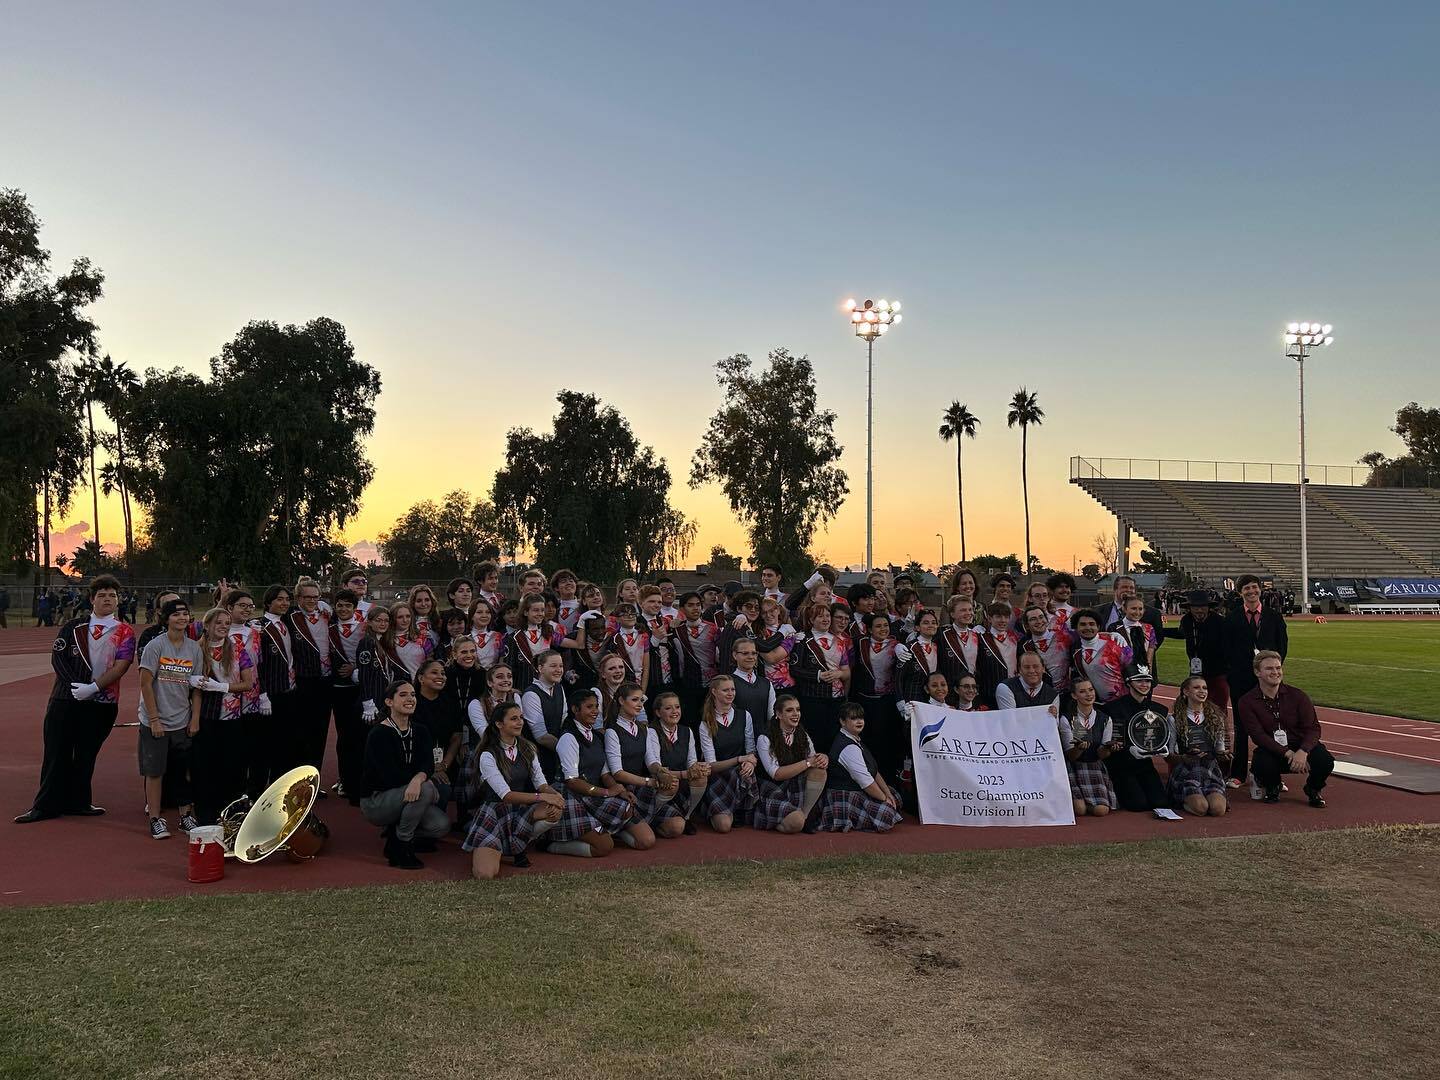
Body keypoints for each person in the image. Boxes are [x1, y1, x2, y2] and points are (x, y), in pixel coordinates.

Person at [16, 575, 137, 824]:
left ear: (118, 601)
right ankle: (45, 805)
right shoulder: (73, 626)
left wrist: (93, 688)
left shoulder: (125, 632)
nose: (107, 599)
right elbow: (58, 658)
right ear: (92, 599)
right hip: (65, 700)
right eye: (102, 595)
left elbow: (121, 666)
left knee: (85, 754)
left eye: (112, 595)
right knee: (56, 752)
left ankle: (79, 801)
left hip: (102, 703)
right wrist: (76, 687)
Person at [460, 701, 567, 878]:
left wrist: (555, 796)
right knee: (484, 874)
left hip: (521, 809)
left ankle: (519, 846)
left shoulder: (527, 748)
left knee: (554, 809)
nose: (520, 722)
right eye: (514, 719)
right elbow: (506, 795)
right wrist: (543, 797)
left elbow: (541, 784)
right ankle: (497, 846)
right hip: (495, 812)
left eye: (521, 718)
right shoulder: (488, 754)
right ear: (499, 724)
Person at [359, 679, 450, 869]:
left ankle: (394, 833)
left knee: (441, 825)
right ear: (389, 702)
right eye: (403, 695)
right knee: (426, 790)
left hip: (409, 793)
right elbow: (388, 774)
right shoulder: (378, 733)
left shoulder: (421, 730)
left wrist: (419, 778)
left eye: (413, 695)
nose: (410, 699)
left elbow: (427, 764)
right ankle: (402, 846)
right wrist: (422, 784)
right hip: (378, 800)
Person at [137, 598, 205, 839]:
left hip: (181, 719)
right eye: (176, 615)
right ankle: (155, 818)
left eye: (185, 614)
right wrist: (154, 719)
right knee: (155, 772)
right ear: (166, 619)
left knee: (182, 770)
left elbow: (197, 687)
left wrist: (195, 717)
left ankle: (186, 815)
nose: (182, 618)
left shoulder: (194, 649)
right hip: (155, 720)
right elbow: (145, 683)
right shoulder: (155, 646)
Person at [1238, 652, 1334, 807]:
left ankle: (1313, 788)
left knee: (1325, 761)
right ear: (1257, 672)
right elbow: (1258, 735)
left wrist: (1303, 751)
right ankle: (1272, 786)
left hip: (1300, 745)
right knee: (1262, 764)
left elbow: (1313, 728)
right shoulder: (1247, 702)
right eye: (1269, 668)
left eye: (1278, 668)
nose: (1275, 672)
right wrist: (1287, 753)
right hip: (1272, 748)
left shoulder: (1298, 696)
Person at [1223, 575, 1289, 790]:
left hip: (1268, 680)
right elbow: (1227, 649)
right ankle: (1238, 773)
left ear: (1260, 590)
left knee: (1272, 725)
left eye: (1254, 587)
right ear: (1240, 592)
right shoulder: (1232, 618)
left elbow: (1282, 645)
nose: (1251, 592)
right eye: (1247, 589)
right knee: (1242, 726)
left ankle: (1272, 774)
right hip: (1241, 678)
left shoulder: (1273, 616)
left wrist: (1272, 670)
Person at [553, 690, 632, 856]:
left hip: (590, 794)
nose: (595, 711)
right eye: (589, 707)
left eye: (596, 706)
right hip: (569, 796)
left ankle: (594, 831)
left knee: (627, 808)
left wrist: (621, 791)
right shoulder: (568, 738)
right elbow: (572, 781)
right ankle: (551, 844)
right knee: (604, 847)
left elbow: (604, 774)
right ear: (575, 709)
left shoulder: (596, 736)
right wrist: (607, 792)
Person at [603, 681, 676, 846]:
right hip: (622, 789)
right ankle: (620, 830)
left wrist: (660, 771)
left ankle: (644, 822)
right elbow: (617, 772)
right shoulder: (612, 731)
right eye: (635, 700)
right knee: (647, 841)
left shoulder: (645, 729)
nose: (639, 705)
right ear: (622, 701)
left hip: (641, 786)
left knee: (676, 826)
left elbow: (651, 761)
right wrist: (650, 781)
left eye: (641, 700)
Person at [818, 702, 902, 833]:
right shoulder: (848, 747)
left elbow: (874, 772)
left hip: (858, 790)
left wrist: (887, 794)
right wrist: (885, 800)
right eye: (853, 718)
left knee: (895, 795)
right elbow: (866, 782)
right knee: (886, 814)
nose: (859, 721)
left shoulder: (855, 739)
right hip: (845, 795)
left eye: (861, 718)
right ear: (842, 721)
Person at [1100, 663, 1171, 812]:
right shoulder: (1113, 709)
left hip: (1144, 764)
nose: (1144, 685)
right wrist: (1128, 749)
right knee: (1138, 805)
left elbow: (1160, 737)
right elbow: (1111, 741)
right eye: (1139, 681)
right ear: (1128, 682)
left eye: (1147, 681)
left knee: (1161, 802)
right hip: (1121, 765)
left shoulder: (1159, 710)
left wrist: (1163, 748)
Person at [752, 693, 828, 833]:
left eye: (798, 710)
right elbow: (776, 774)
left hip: (794, 786)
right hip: (772, 788)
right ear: (778, 714)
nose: (795, 714)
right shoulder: (765, 737)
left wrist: (823, 759)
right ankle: (783, 821)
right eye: (789, 710)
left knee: (819, 772)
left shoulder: (801, 733)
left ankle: (805, 816)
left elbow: (814, 759)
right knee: (795, 823)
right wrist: (807, 763)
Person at [850, 611, 907, 784]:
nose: (883, 629)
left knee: (886, 741)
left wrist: (898, 645)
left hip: (886, 702)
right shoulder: (860, 642)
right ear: (869, 629)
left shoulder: (895, 644)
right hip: (864, 700)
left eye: (885, 625)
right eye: (878, 626)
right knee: (867, 739)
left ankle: (888, 779)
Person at [696, 675, 758, 832]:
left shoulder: (745, 715)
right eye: (725, 690)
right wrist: (739, 759)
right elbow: (711, 765)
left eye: (733, 689)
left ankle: (740, 808)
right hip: (718, 777)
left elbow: (751, 750)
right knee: (723, 827)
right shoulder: (705, 723)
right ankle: (709, 807)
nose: (730, 693)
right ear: (714, 692)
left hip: (741, 773)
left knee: (744, 773)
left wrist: (750, 762)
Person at [285, 578, 333, 779]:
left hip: (326, 680)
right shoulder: (290, 617)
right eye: (308, 597)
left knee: (320, 732)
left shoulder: (327, 615)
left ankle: (314, 779)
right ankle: (297, 779)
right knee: (301, 732)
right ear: (298, 598)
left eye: (316, 597)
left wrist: (326, 605)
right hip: (304, 680)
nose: (312, 601)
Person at [789, 602, 850, 753]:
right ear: (811, 620)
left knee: (835, 736)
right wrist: (817, 675)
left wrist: (839, 674)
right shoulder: (803, 640)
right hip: (812, 698)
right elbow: (794, 669)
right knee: (815, 737)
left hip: (836, 698)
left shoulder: (840, 641)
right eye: (820, 616)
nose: (825, 619)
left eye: (827, 615)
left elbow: (846, 671)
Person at [1166, 675, 1230, 817]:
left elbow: (1220, 750)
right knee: (1201, 808)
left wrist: (1223, 755)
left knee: (1218, 810)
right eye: (1196, 687)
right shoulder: (1173, 719)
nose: (1202, 691)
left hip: (1210, 767)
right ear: (1186, 692)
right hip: (1186, 769)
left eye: (1204, 688)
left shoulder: (1216, 717)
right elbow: (1168, 756)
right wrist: (1183, 758)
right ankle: (1181, 801)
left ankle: (1202, 796)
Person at [649, 690, 710, 835]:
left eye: (677, 707)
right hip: (660, 786)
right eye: (668, 708)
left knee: (701, 776)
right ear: (658, 712)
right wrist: (686, 773)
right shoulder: (652, 732)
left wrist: (700, 768)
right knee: (676, 828)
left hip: (681, 784)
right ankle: (650, 818)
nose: (674, 711)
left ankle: (687, 816)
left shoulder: (686, 731)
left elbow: (692, 762)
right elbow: (655, 768)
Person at [255, 585, 299, 784]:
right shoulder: (258, 626)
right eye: (280, 599)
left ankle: (280, 782)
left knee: (286, 742)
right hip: (270, 694)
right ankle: (262, 786)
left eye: (287, 599)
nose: (284, 603)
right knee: (267, 744)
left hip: (289, 691)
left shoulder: (287, 623)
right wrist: (263, 694)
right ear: (268, 602)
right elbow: (256, 664)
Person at [412, 658, 464, 821]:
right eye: (434, 672)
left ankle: (433, 823)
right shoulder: (410, 702)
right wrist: (430, 767)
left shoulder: (450, 702)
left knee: (446, 787)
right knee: (438, 787)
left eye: (443, 673)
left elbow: (456, 737)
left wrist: (443, 766)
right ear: (421, 678)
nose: (440, 676)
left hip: (445, 761)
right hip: (415, 761)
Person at [1058, 677, 1117, 817]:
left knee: (1101, 811)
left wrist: (1108, 748)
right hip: (1074, 766)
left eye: (1090, 690)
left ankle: (1086, 802)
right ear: (1074, 695)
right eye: (1083, 691)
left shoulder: (1105, 719)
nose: (1089, 694)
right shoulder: (1067, 719)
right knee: (1080, 810)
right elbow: (1070, 755)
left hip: (1094, 765)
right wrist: (1079, 748)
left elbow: (1102, 755)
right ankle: (1079, 802)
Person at [327, 588, 366, 803]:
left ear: (355, 608)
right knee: (343, 736)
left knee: (361, 735)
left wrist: (355, 668)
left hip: (360, 689)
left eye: (348, 606)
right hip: (338, 689)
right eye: (339, 605)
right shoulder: (329, 628)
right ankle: (345, 779)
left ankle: (362, 779)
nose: (343, 609)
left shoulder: (364, 628)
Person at [1163, 590, 1228, 711]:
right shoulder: (1187, 620)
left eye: (1203, 607)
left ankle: (1219, 730)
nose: (1199, 610)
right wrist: (1159, 631)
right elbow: (1182, 633)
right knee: (1193, 705)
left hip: (1218, 672)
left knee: (1218, 708)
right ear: (1190, 608)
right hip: (1196, 671)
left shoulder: (1220, 622)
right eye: (1195, 607)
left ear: (1208, 607)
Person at [520, 650, 569, 780]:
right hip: (539, 759)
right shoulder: (531, 695)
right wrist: (567, 751)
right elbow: (541, 736)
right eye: (553, 666)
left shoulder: (559, 688)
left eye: (561, 666)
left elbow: (564, 720)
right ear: (540, 668)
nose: (559, 670)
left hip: (556, 754)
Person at [1068, 608, 1132, 704]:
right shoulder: (1075, 649)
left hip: (1123, 701)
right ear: (1076, 628)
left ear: (1098, 626)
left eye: (1092, 624)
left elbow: (1133, 668)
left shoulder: (1116, 643)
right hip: (1097, 704)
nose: (1088, 627)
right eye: (1082, 624)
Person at [1094, 576, 1164, 656]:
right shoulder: (1099, 611)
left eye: (1132, 587)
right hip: (1109, 663)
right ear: (1115, 589)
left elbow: (1158, 638)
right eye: (1124, 587)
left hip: (1140, 663)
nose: (1128, 590)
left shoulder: (1153, 613)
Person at [975, 601, 1019, 706]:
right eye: (998, 616)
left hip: (1013, 690)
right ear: (990, 618)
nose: (1003, 620)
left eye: (1006, 617)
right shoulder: (981, 639)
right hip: (990, 692)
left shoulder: (1015, 639)